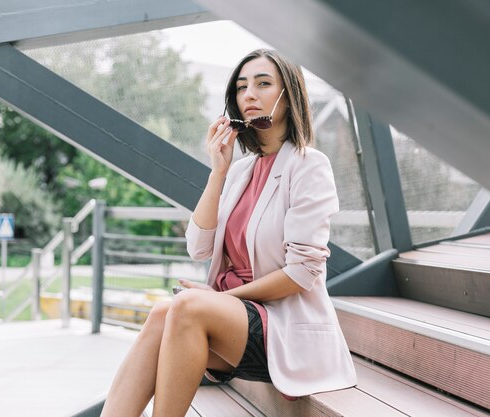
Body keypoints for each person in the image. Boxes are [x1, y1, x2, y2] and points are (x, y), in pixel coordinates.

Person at [100, 48, 357, 416]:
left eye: (263, 83)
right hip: (238, 320)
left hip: (287, 329)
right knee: (162, 312)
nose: (249, 94)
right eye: (241, 87)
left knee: (185, 305)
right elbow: (198, 248)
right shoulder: (239, 171)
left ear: (290, 95)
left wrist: (226, 296)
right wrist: (217, 171)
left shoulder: (309, 166)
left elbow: (301, 274)